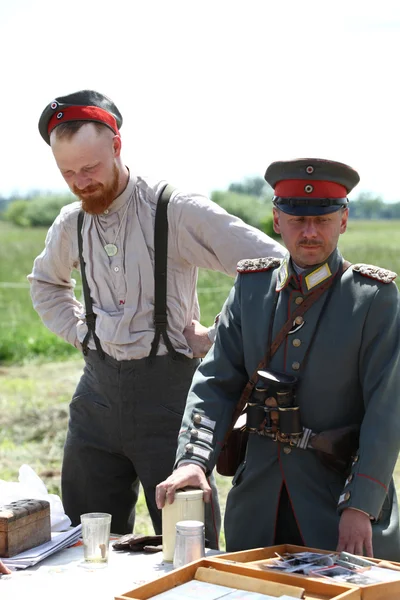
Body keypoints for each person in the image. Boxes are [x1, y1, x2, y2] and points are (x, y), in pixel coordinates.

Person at [28, 90, 286, 546]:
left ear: (117, 147)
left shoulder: (175, 211)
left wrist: (219, 336)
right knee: (84, 540)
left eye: (90, 169)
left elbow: (273, 264)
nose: (82, 183)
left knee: (186, 543)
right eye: (68, 173)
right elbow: (46, 284)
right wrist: (80, 332)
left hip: (172, 401)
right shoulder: (71, 223)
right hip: (95, 400)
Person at [156, 158, 400, 560]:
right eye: (296, 218)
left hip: (338, 505)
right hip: (258, 506)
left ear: (343, 220)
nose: (309, 232)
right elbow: (215, 381)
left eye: (322, 219)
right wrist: (194, 460)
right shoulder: (251, 289)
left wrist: (361, 503)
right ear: (276, 219)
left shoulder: (373, 298)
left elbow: (386, 411)